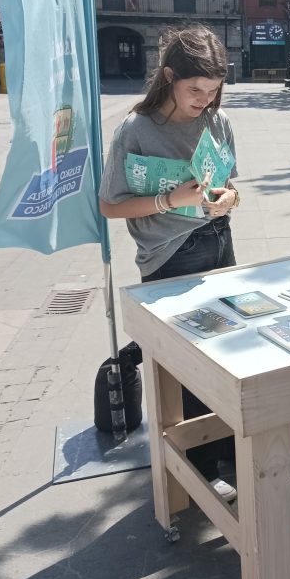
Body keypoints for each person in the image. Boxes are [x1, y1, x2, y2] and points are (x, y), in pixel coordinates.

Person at [99, 25, 240, 499]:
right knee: (189, 367)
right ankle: (202, 467)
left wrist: (228, 199)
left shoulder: (217, 121)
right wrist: (168, 200)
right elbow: (111, 205)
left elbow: (229, 185)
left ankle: (228, 448)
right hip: (169, 255)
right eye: (195, 90)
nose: (205, 100)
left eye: (213, 90)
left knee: (227, 351)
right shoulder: (136, 130)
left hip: (218, 241)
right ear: (168, 77)